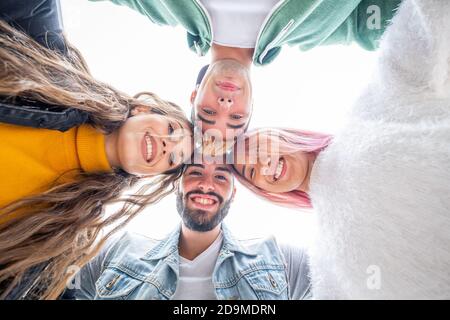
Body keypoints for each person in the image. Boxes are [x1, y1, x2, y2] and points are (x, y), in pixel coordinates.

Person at [232, 0, 450, 298]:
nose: (263, 165)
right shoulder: (325, 259)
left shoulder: (369, 115)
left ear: (282, 135)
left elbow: (425, 28)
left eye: (258, 150)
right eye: (251, 171)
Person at [0, 0, 193, 300]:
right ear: (143, 109)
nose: (168, 145)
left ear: (147, 175)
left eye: (173, 158)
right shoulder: (52, 68)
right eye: (171, 130)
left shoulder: (64, 237)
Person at [90, 0, 402, 146]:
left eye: (208, 111)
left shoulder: (166, 8)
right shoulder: (313, 30)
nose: (225, 104)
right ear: (251, 106)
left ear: (194, 95)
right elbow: (383, 22)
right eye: (236, 117)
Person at [71, 160, 311, 300]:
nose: (207, 185)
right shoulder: (118, 252)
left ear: (233, 194)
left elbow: (346, 276)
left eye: (220, 177)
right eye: (196, 172)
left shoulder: (281, 260)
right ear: (177, 185)